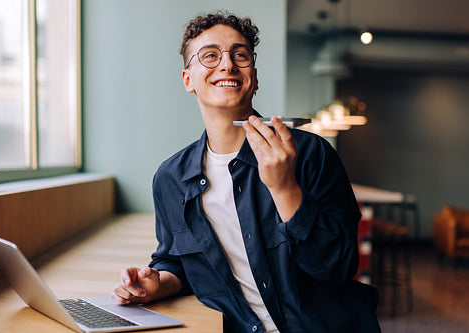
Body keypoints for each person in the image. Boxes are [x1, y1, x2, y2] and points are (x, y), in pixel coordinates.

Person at [112, 11, 381, 333]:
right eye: (210, 56)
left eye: (240, 55)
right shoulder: (170, 178)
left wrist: (284, 189)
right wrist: (157, 284)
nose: (227, 65)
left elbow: (338, 267)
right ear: (188, 80)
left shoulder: (310, 153)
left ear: (253, 76)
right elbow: (177, 263)